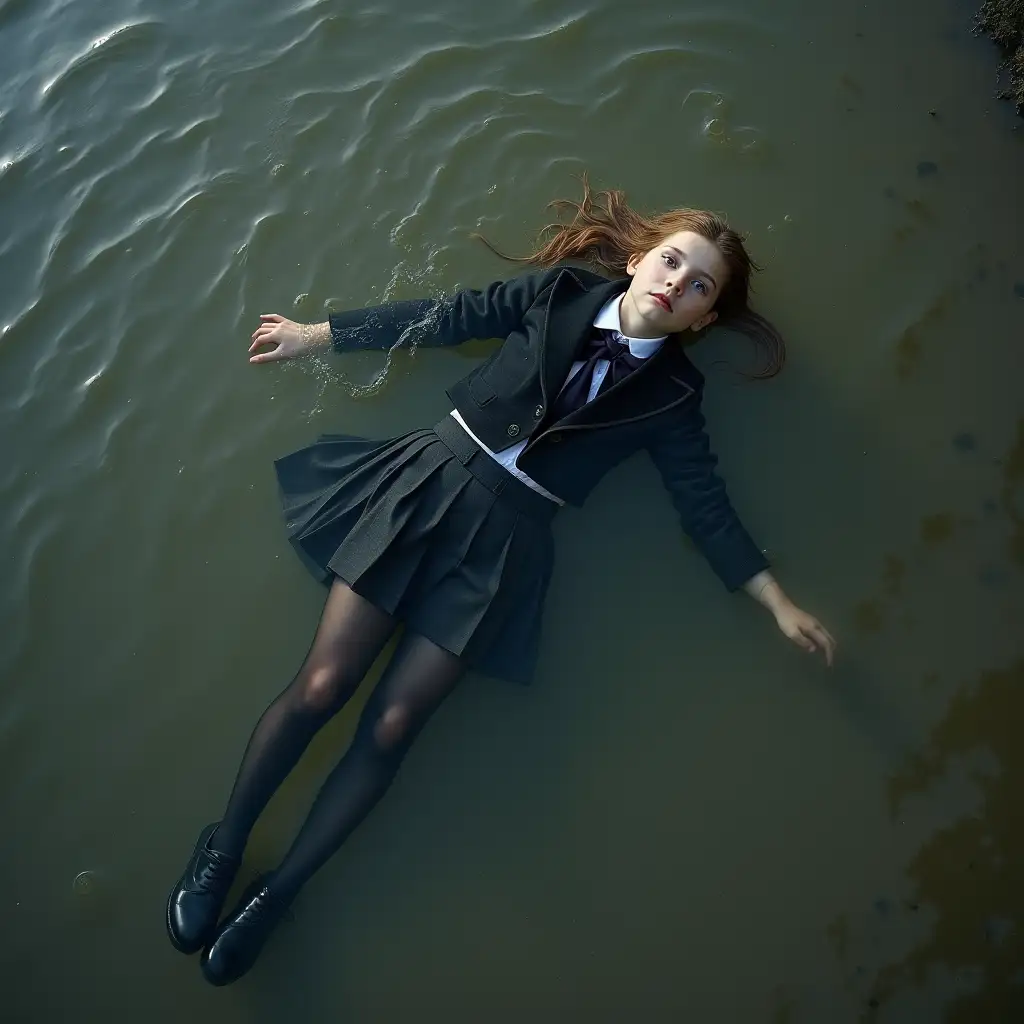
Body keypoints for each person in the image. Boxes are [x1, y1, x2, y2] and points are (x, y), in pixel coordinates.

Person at [166, 182, 836, 986]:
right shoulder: (558, 292)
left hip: (511, 544)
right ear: (635, 260)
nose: (676, 282)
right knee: (321, 684)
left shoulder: (676, 397)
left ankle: (277, 894)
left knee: (392, 727)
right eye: (671, 260)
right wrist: (318, 334)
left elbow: (704, 504)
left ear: (704, 319)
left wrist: (775, 599)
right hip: (428, 483)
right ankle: (226, 846)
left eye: (700, 285)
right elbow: (447, 317)